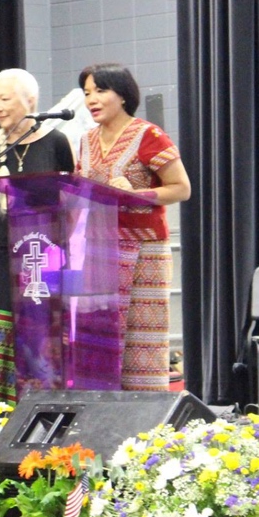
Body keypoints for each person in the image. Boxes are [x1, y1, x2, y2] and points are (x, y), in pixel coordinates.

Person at [75, 63, 191, 391]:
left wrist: (137, 195)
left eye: (100, 91)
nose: (91, 99)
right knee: (99, 335)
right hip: (97, 252)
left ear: (123, 95)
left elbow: (182, 189)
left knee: (141, 338)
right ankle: (102, 407)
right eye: (87, 93)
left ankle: (144, 409)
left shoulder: (148, 135)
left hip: (144, 251)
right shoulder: (85, 141)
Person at [0, 68, 74, 404]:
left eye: (5, 99)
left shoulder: (55, 142)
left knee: (40, 335)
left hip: (43, 255)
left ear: (30, 100)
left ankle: (41, 408)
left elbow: (70, 200)